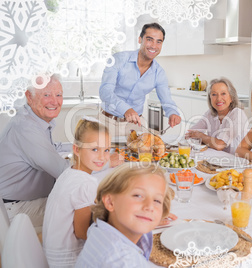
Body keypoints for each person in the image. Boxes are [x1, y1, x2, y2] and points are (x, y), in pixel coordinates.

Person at [0, 74, 71, 230]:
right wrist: (105, 161)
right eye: (46, 95)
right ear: (29, 97)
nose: (54, 101)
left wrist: (83, 147)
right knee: (85, 208)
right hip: (17, 209)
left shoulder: (32, 119)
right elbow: (64, 171)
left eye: (58, 95)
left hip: (21, 203)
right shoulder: (26, 127)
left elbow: (53, 148)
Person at [43, 117, 111, 267]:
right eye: (94, 149)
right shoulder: (85, 183)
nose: (102, 157)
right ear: (76, 149)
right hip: (68, 261)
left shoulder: (70, 172)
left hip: (51, 254)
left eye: (106, 150)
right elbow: (83, 233)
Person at [75, 162, 173, 267]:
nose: (149, 206)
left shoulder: (99, 229)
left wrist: (145, 219)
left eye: (157, 201)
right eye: (138, 195)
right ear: (110, 202)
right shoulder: (124, 261)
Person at [99, 22, 181, 137]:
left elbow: (166, 99)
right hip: (108, 122)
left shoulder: (159, 73)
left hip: (135, 125)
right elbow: (105, 92)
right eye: (149, 39)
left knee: (139, 155)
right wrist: (126, 109)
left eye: (159, 41)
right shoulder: (118, 59)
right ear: (140, 39)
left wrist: (173, 113)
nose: (154, 46)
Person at [186, 77, 249, 154]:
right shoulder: (210, 113)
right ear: (210, 98)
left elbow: (219, 145)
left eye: (223, 93)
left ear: (231, 97)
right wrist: (198, 136)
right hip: (215, 160)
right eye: (214, 94)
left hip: (235, 162)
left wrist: (201, 136)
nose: (219, 98)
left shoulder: (238, 114)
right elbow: (190, 134)